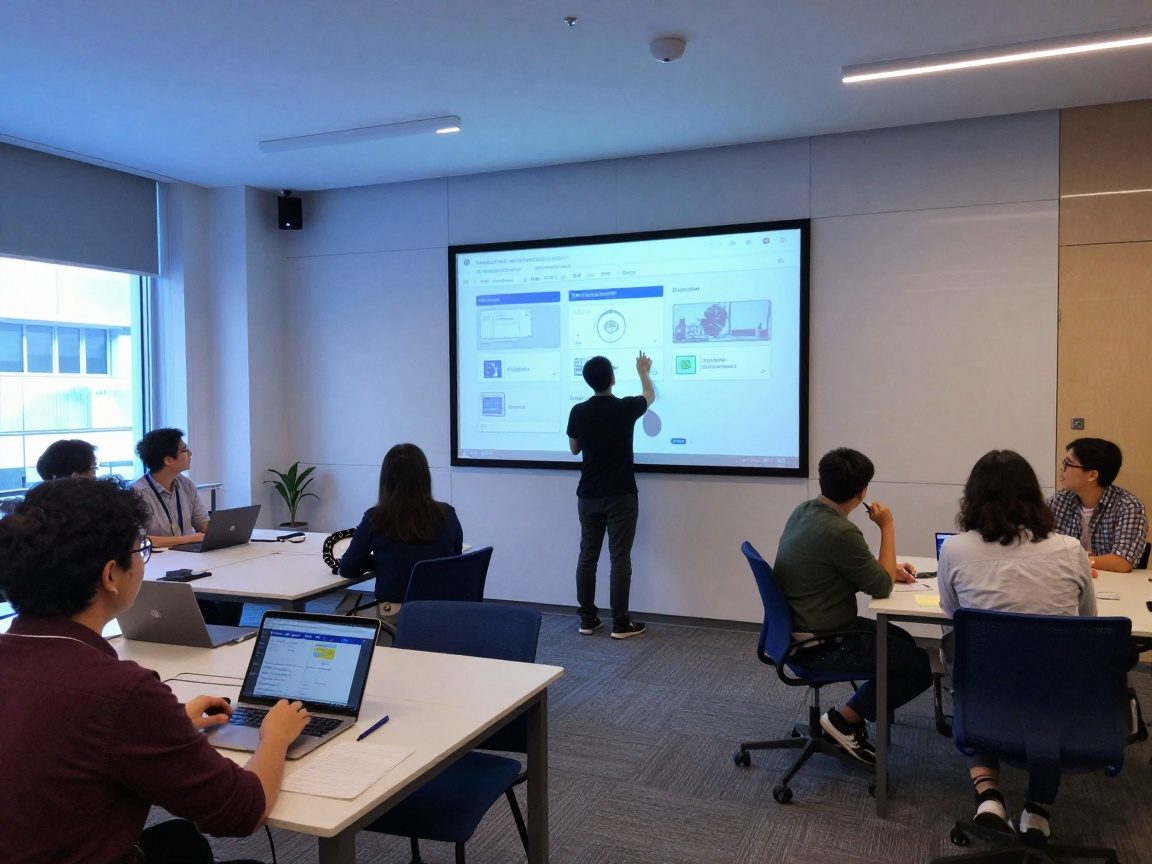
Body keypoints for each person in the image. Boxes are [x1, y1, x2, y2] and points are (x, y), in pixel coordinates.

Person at [0, 477, 310, 864]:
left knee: (178, 840)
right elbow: (242, 811)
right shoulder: (119, 692)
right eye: (140, 549)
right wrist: (275, 736)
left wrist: (164, 729)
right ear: (111, 575)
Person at [938, 450, 1095, 840]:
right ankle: (1038, 810)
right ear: (1034, 497)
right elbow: (1088, 622)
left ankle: (989, 794)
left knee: (960, 654)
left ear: (972, 497)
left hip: (987, 690)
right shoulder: (1070, 549)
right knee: (1043, 691)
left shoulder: (955, 548)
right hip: (1056, 694)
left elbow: (952, 611)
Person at [772, 447, 933, 765]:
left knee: (903, 641)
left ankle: (855, 714)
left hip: (800, 628)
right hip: (821, 641)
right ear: (862, 493)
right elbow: (881, 587)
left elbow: (838, 562)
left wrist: (883, 568)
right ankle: (844, 719)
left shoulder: (804, 510)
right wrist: (887, 527)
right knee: (918, 667)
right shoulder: (842, 531)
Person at [567, 352, 655, 639]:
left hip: (589, 494)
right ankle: (620, 623)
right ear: (613, 379)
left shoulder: (578, 411)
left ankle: (588, 620)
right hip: (621, 494)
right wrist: (642, 370)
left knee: (587, 557)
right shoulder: (625, 407)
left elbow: (574, 449)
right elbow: (649, 395)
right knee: (620, 558)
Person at [339, 443, 463, 616]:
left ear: (386, 479)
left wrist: (378, 562)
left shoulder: (376, 518)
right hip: (444, 611)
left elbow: (348, 569)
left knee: (340, 612)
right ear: (425, 477)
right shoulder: (446, 514)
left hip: (398, 614)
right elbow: (454, 558)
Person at [1048, 437, 1148, 573]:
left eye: (1068, 464)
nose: (1061, 468)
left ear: (1092, 475)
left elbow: (1121, 562)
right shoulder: (1059, 501)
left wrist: (1078, 561)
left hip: (1113, 587)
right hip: (1069, 582)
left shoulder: (1128, 506)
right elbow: (1040, 545)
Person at [131, 428, 210, 550]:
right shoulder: (136, 493)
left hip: (189, 555)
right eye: (185, 450)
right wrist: (190, 538)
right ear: (168, 460)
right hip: (157, 561)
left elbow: (202, 522)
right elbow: (140, 540)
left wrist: (227, 531)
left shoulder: (187, 485)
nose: (190, 453)